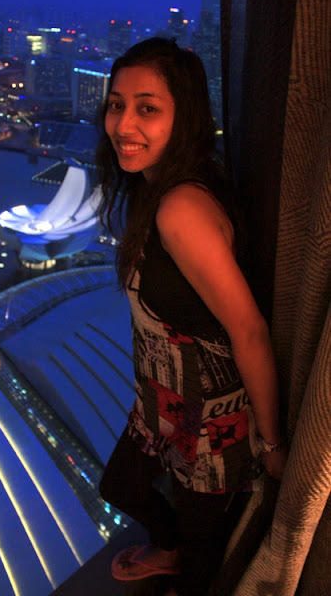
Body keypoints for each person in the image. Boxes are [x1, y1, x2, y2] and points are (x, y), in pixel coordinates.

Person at [96, 37, 286, 596]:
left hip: (212, 419)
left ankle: (184, 569)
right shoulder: (158, 187)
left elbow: (249, 331)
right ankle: (170, 550)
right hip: (163, 399)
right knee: (120, 487)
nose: (124, 124)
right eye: (116, 104)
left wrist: (273, 444)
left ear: (185, 118)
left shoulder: (181, 207)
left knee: (204, 553)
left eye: (147, 108)